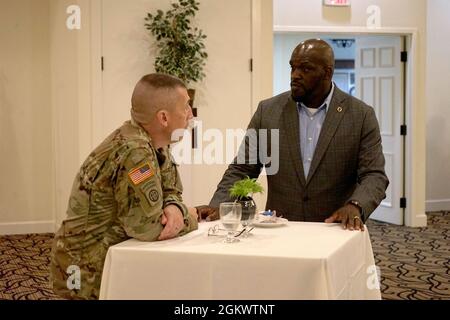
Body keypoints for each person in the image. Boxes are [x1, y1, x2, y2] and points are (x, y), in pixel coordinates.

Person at [198, 39, 389, 231]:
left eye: (305, 69)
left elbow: (374, 175)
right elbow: (242, 168)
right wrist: (219, 204)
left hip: (335, 229)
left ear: (327, 73)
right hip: (280, 229)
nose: (295, 75)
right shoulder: (268, 111)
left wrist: (356, 205)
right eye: (293, 67)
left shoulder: (360, 115)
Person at [50, 73, 199, 300]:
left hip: (110, 260)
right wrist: (190, 216)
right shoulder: (135, 150)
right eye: (186, 106)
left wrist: (175, 208)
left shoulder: (156, 143)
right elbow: (147, 227)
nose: (190, 114)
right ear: (164, 118)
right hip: (84, 272)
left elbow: (171, 190)